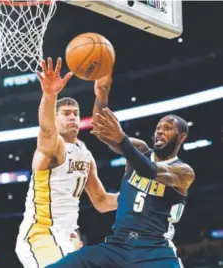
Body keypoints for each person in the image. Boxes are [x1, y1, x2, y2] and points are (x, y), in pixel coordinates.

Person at [46, 76, 195, 268]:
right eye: (158, 127)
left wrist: (122, 138)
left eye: (167, 128)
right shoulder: (140, 149)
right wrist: (101, 94)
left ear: (181, 137)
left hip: (154, 249)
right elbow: (102, 132)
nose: (160, 131)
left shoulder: (183, 172)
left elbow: (148, 170)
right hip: (118, 245)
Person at [15, 58, 118, 268]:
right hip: (41, 233)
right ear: (55, 117)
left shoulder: (85, 154)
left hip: (67, 237)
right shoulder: (54, 147)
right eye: (66, 113)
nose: (72, 117)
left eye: (76, 114)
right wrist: (50, 95)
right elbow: (46, 130)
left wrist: (140, 195)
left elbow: (102, 201)